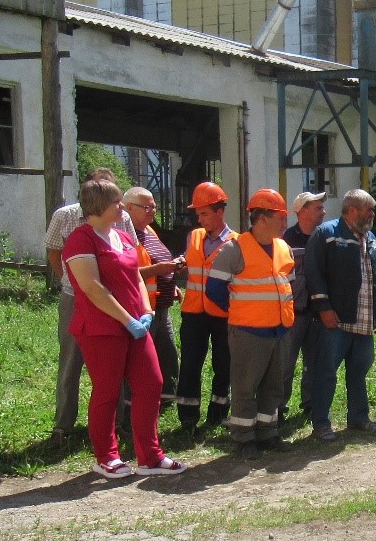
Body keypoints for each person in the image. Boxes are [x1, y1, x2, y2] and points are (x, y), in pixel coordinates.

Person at [61, 179, 185, 477]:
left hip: (135, 326)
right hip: (102, 327)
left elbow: (137, 278)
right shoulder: (81, 240)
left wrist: (144, 311)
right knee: (108, 391)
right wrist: (125, 319)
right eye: (117, 202)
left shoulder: (124, 237)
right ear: (99, 206)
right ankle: (107, 457)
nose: (122, 207)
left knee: (151, 383)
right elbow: (92, 287)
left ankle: (150, 456)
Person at [205, 189, 295, 458]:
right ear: (262, 218)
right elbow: (215, 290)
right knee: (245, 387)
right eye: (280, 216)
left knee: (274, 387)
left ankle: (268, 433)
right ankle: (244, 438)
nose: (284, 222)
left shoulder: (283, 246)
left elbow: (288, 286)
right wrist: (241, 312)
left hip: (279, 330)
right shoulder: (234, 249)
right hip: (248, 332)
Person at [45, 167, 126, 446]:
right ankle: (63, 426)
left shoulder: (122, 218)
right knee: (70, 359)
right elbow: (54, 252)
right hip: (74, 297)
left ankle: (116, 424)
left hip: (112, 299)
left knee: (115, 361)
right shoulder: (65, 216)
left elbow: (130, 254)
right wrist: (71, 281)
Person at [306, 188, 376, 440]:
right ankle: (321, 424)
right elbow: (314, 273)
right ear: (352, 210)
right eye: (368, 209)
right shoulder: (327, 234)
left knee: (359, 371)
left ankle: (359, 418)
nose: (372, 214)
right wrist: (324, 308)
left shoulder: (370, 238)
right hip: (336, 320)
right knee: (326, 371)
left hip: (363, 319)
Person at [177, 182, 238, 437]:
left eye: (204, 214)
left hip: (222, 313)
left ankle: (218, 412)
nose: (200, 219)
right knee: (190, 363)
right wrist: (181, 261)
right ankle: (188, 418)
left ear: (220, 212)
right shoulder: (194, 237)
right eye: (198, 214)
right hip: (193, 311)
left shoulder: (236, 243)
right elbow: (190, 260)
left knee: (223, 364)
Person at [121, 187, 183, 415]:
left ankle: (166, 401)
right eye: (146, 207)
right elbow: (129, 271)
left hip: (161, 306)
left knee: (167, 354)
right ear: (129, 209)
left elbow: (158, 261)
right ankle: (132, 409)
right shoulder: (125, 236)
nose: (152, 211)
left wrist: (171, 283)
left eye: (153, 206)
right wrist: (159, 269)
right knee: (140, 361)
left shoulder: (149, 231)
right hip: (142, 309)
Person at [279, 191, 327, 421]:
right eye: (318, 208)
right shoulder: (285, 240)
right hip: (293, 313)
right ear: (303, 211)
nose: (323, 212)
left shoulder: (322, 237)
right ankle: (278, 407)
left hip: (317, 312)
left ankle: (310, 403)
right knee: (285, 362)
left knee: (314, 362)